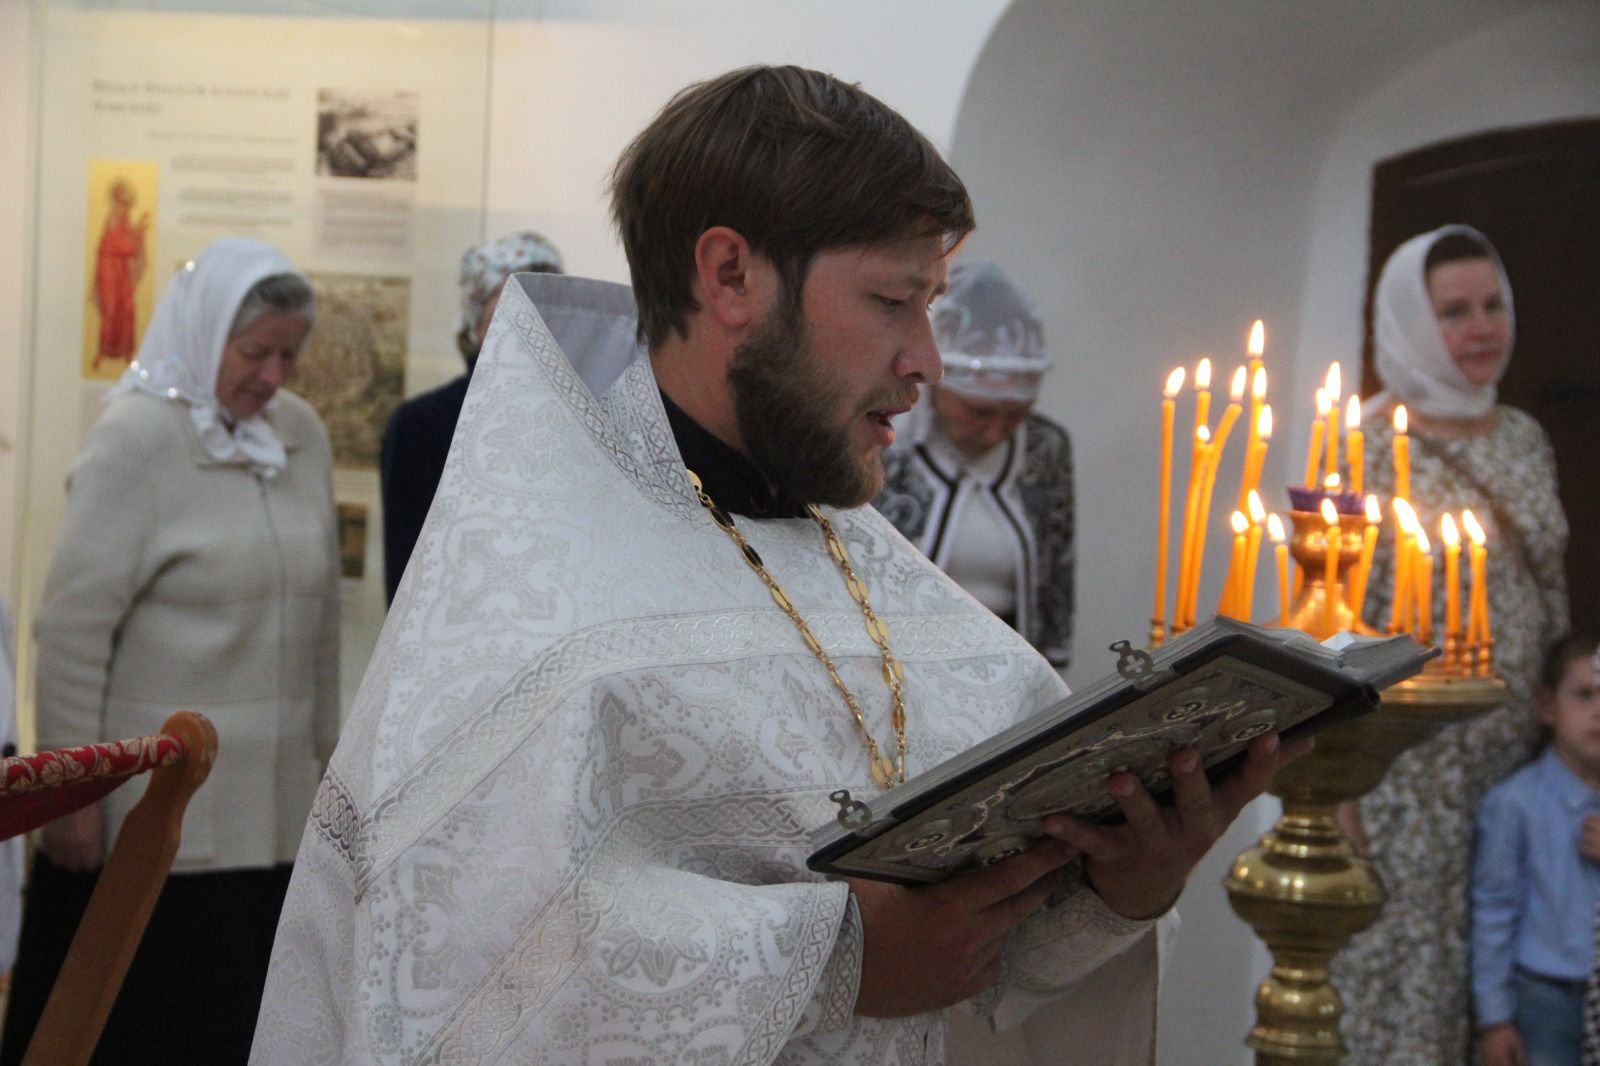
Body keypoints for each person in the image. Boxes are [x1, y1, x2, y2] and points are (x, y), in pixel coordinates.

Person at [250, 66, 1303, 1065]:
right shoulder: (527, 604)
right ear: (730, 275)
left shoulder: (901, 593)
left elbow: (991, 969)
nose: (928, 361)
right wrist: (837, 957)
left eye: (932, 303)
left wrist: (1120, 887)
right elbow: (462, 977)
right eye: (895, 301)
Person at [2, 237, 340, 1065]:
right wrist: (75, 796)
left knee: (240, 1031)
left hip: (275, 816)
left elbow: (325, 624)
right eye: (255, 352)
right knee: (136, 1034)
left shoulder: (301, 435)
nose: (273, 376)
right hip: (153, 819)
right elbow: (75, 631)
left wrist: (330, 775)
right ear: (204, 332)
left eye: (290, 355)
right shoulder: (136, 439)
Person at [1333, 224, 1572, 1064]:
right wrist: (1337, 801)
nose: (1482, 328)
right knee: (1406, 999)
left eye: (1493, 305)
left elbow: (1550, 606)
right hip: (1407, 777)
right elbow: (1332, 623)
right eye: (1454, 312)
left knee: (1516, 1003)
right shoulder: (1362, 446)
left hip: (1520, 773)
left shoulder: (1522, 437)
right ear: (1405, 321)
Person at [874, 259, 1073, 671]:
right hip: (903, 664)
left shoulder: (1045, 447)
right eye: (978, 412)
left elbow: (1058, 571)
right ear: (939, 385)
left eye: (1014, 414)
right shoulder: (886, 441)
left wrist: (1053, 678)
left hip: (1010, 662)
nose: (996, 430)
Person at [379, 230, 564, 603]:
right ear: (475, 327)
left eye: (546, 312)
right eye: (510, 314)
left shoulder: (582, 422)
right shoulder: (422, 426)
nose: (532, 329)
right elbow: (407, 579)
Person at [1472, 634, 1600, 1066]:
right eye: (1584, 695)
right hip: (1544, 996)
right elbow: (1493, 909)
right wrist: (1495, 1020)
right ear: (1548, 706)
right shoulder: (1515, 803)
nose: (1599, 711)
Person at [91, 177, 149, 370]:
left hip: (121, 270)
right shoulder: (113, 217)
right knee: (111, 311)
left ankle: (125, 351)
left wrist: (139, 229)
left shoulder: (123, 217)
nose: (127, 205)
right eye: (124, 200)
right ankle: (103, 352)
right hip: (109, 270)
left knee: (126, 309)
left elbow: (128, 241)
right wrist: (140, 231)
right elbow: (124, 245)